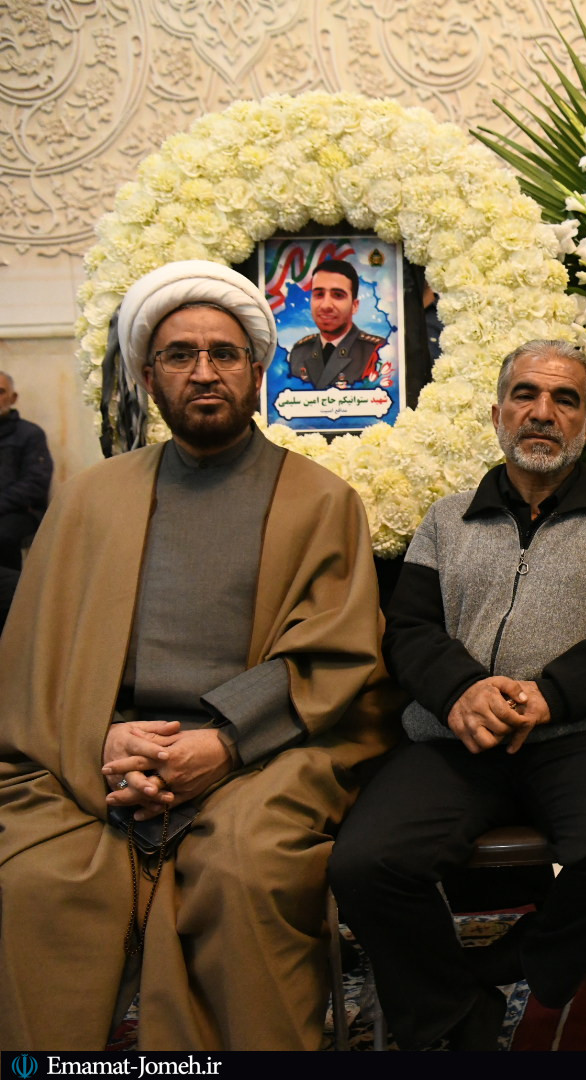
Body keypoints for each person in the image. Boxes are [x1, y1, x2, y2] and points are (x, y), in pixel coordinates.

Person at [0, 260, 395, 1050]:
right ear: (150, 377)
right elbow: (37, 667)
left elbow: (334, 657)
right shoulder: (91, 499)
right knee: (32, 878)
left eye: (224, 354)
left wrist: (224, 743)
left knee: (243, 868)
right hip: (102, 753)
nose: (204, 372)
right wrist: (102, 740)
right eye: (181, 355)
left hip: (265, 753)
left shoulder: (321, 500)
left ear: (258, 372)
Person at [329, 340, 586, 1051]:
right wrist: (460, 691)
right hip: (454, 738)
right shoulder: (445, 520)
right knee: (364, 863)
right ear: (498, 414)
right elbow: (409, 631)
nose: (542, 412)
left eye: (565, 400)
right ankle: (460, 1019)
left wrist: (553, 694)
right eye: (526, 395)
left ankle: (507, 966)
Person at [287, 258, 386, 390]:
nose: (326, 305)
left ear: (354, 306)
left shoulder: (376, 352)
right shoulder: (299, 352)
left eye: (338, 295)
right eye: (319, 294)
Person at [0, 369, 52, 570]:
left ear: (13, 398)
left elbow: (35, 484)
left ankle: (12, 589)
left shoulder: (30, 434)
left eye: (0, 392)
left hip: (20, 512)